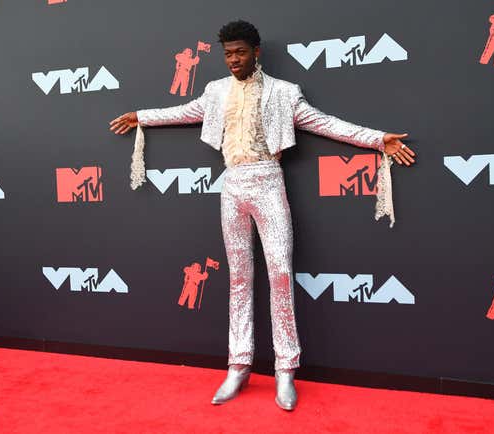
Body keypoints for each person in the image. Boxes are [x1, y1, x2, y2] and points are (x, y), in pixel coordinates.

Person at [109, 20, 416, 411]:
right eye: (227, 54)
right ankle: (238, 366)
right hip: (232, 185)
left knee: (281, 275)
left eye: (240, 52)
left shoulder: (284, 93)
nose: (233, 60)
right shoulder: (215, 91)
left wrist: (376, 139)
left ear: (256, 52)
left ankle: (285, 370)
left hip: (269, 182)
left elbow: (324, 123)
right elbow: (184, 112)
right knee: (239, 278)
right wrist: (142, 116)